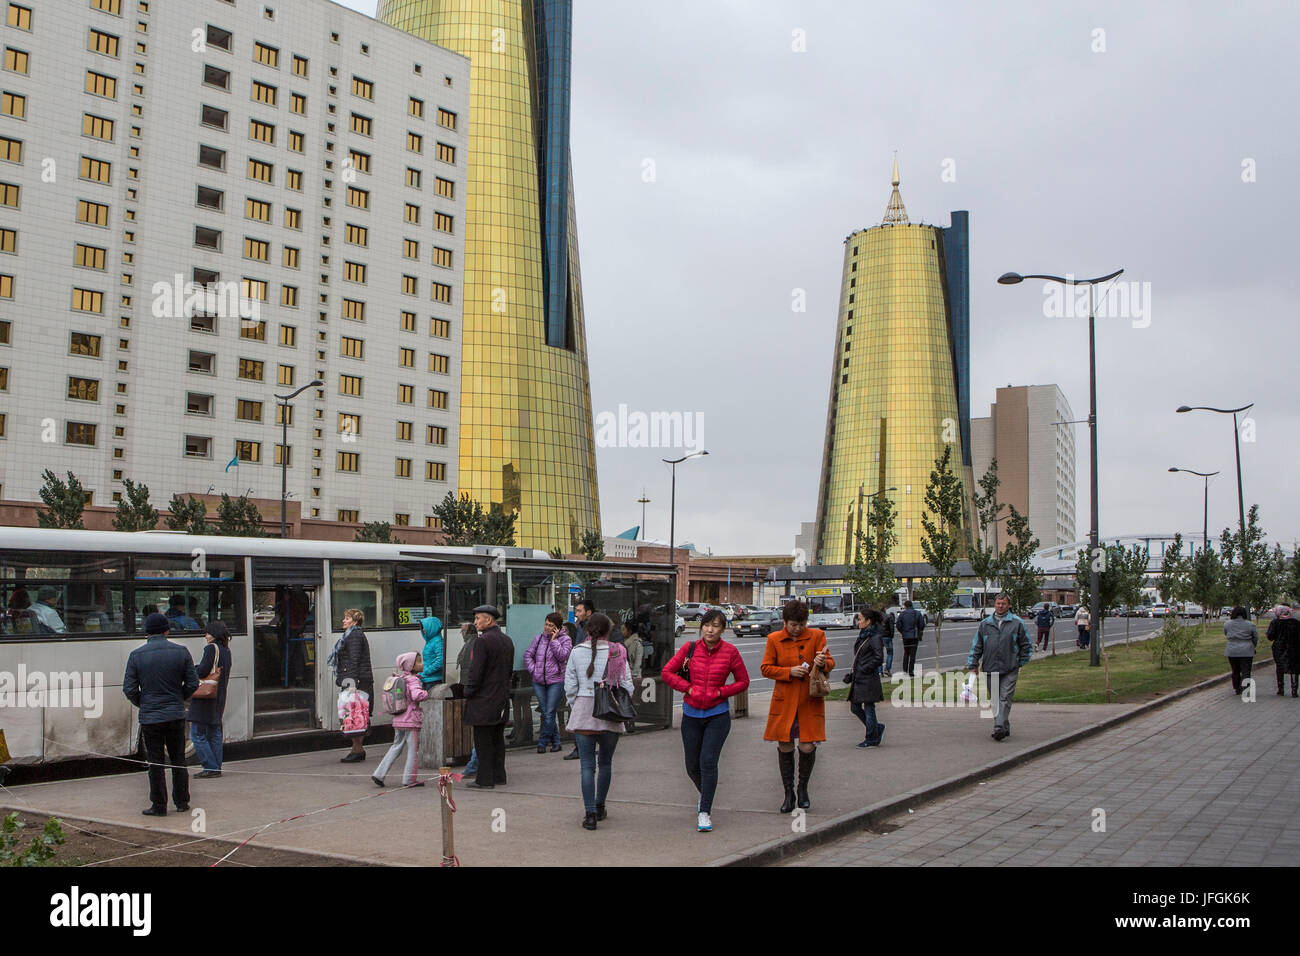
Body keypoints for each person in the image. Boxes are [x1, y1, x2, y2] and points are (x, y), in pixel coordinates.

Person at [662, 607, 749, 832]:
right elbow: (667, 672)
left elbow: (743, 681)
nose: (710, 630)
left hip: (717, 716)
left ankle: (704, 811)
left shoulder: (730, 652)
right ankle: (705, 793)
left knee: (708, 761)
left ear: (723, 629)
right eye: (707, 625)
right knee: (692, 765)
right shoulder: (689, 648)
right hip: (691, 714)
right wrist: (688, 688)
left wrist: (721, 692)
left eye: (715, 626)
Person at [760, 601, 834, 813]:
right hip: (784, 701)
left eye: (802, 624)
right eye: (793, 624)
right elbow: (765, 668)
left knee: (807, 746)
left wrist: (822, 662)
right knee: (785, 744)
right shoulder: (774, 639)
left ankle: (803, 788)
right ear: (785, 622)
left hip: (809, 700)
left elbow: (830, 663)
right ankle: (788, 793)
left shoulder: (817, 636)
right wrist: (788, 672)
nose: (798, 628)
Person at [123, 612, 199, 815]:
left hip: (150, 717)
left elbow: (129, 689)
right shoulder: (181, 652)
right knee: (178, 759)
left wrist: (144, 703)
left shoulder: (136, 655)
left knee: (155, 763)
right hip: (175, 715)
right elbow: (193, 683)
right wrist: (179, 698)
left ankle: (159, 805)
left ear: (147, 632)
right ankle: (182, 801)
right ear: (167, 631)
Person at [563, 612, 633, 829]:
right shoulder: (618, 651)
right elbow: (627, 684)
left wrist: (577, 705)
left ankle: (590, 814)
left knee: (586, 767)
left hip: (584, 711)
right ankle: (600, 805)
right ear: (608, 631)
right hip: (610, 713)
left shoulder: (576, 652)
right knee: (605, 763)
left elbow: (570, 686)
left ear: (587, 630)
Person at [966, 593, 1033, 741]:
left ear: (1009, 605)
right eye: (998, 603)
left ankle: (998, 728)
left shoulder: (1017, 623)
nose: (1000, 606)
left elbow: (1027, 645)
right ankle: (1004, 726)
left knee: (1005, 697)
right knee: (995, 700)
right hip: (990, 668)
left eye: (1003, 604)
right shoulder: (985, 624)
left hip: (1010, 668)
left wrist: (1020, 662)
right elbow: (977, 645)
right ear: (994, 604)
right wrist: (973, 664)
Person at [463, 604, 514, 789]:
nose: (475, 622)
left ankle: (484, 779)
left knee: (483, 741)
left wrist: (468, 691)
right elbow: (508, 671)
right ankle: (499, 775)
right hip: (501, 697)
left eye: (478, 618)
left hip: (483, 699)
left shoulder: (482, 641)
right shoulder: (507, 640)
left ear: (489, 620)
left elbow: (476, 672)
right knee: (498, 739)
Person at [372, 652, 430, 788]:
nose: (422, 664)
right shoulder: (413, 680)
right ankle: (409, 779)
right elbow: (416, 695)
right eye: (419, 662)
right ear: (411, 666)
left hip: (398, 719)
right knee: (413, 750)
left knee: (396, 746)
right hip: (411, 721)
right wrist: (427, 693)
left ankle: (379, 774)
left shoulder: (401, 678)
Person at [189, 621, 232, 778]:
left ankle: (210, 767)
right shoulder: (226, 650)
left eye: (207, 633)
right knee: (214, 732)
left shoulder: (211, 648)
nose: (206, 636)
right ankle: (216, 767)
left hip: (206, 697)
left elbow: (203, 671)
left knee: (197, 733)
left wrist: (193, 668)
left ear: (214, 634)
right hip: (219, 695)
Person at [525, 612, 573, 753]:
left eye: (551, 625)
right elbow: (528, 655)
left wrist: (554, 640)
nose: (547, 627)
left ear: (557, 627)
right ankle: (556, 742)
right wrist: (534, 670)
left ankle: (542, 742)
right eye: (546, 624)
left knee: (550, 711)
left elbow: (563, 656)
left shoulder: (565, 639)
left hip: (556, 681)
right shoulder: (538, 638)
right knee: (547, 712)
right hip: (538, 681)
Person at [333, 608, 373, 763]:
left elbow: (354, 659)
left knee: (356, 715)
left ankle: (357, 750)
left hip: (357, 681)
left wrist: (352, 682)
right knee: (355, 715)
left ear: (355, 621)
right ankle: (357, 749)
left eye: (347, 618)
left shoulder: (354, 635)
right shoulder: (351, 634)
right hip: (356, 679)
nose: (344, 620)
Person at [563, 598, 596, 760]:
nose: (576, 614)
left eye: (579, 611)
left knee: (580, 715)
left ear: (588, 612)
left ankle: (581, 748)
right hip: (584, 677)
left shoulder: (588, 629)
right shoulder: (581, 627)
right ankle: (584, 746)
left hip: (585, 678)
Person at [847, 609, 885, 747]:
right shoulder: (864, 635)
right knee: (855, 707)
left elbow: (879, 658)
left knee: (869, 707)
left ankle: (871, 738)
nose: (858, 622)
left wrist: (864, 668)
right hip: (859, 677)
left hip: (868, 678)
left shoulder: (874, 637)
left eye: (860, 619)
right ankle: (876, 728)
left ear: (868, 621)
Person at [1223, 606, 1257, 696]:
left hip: (1232, 650)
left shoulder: (1227, 624)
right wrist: (1253, 646)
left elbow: (1225, 633)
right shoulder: (1250, 624)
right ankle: (1245, 688)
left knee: (1235, 670)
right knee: (1246, 671)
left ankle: (1236, 687)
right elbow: (1255, 637)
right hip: (1247, 650)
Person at [1266, 606, 1299, 697]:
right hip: (1294, 647)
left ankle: (1281, 688)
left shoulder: (1275, 622)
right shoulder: (1296, 623)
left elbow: (1270, 636)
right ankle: (1294, 689)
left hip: (1279, 647)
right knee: (1294, 668)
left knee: (1279, 666)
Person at [618, 618, 645, 733]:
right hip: (626, 675)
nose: (622, 632)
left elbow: (638, 663)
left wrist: (633, 676)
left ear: (629, 631)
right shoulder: (624, 643)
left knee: (630, 701)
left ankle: (630, 723)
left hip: (633, 676)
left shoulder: (637, 644)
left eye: (623, 629)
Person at [897, 600, 924, 676]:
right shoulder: (917, 613)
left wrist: (902, 632)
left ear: (905, 606)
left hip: (905, 636)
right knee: (913, 654)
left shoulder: (902, 614)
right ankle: (911, 671)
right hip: (914, 636)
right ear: (911, 605)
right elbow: (921, 625)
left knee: (906, 653)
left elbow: (898, 625)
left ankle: (905, 670)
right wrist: (919, 631)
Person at [419, 615, 445, 688]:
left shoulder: (438, 641)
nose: (423, 630)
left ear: (431, 627)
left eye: (425, 627)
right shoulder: (430, 641)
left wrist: (425, 672)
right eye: (422, 628)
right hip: (428, 679)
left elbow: (440, 661)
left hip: (433, 680)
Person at [879, 605, 896, 677]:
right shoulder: (889, 616)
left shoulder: (876, 618)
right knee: (890, 653)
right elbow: (891, 627)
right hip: (887, 636)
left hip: (879, 637)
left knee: (879, 654)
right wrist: (891, 635)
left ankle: (880, 671)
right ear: (885, 609)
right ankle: (887, 669)